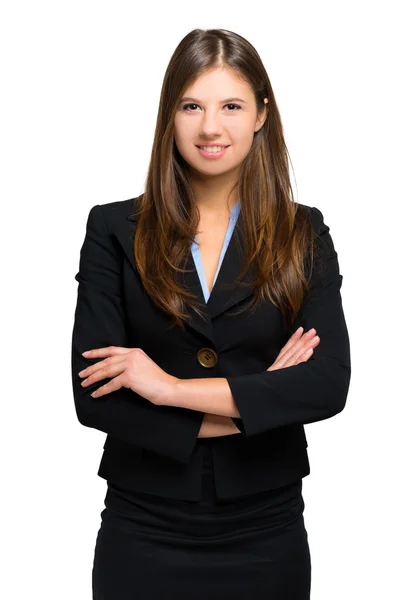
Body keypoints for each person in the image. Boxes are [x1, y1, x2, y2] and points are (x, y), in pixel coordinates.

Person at [71, 28, 351, 600]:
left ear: (260, 115)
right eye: (191, 105)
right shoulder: (112, 230)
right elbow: (93, 396)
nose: (210, 127)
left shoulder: (304, 232)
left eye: (231, 106)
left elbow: (325, 385)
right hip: (143, 528)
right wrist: (258, 400)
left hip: (265, 530)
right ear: (169, 114)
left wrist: (167, 388)